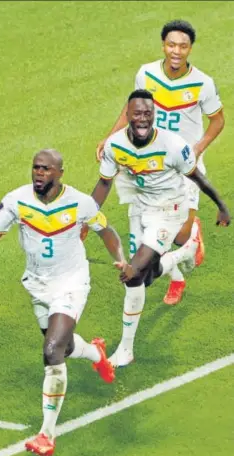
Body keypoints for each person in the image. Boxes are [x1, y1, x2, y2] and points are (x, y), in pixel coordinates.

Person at [0, 148, 126, 456]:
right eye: (36, 168)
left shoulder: (80, 202)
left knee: (52, 350)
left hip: (71, 282)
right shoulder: (17, 199)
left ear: (59, 173)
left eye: (45, 169)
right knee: (62, 348)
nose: (39, 173)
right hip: (37, 284)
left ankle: (46, 435)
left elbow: (107, 231)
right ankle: (96, 353)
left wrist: (121, 260)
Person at [92, 89, 230, 367]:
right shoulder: (115, 145)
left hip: (169, 212)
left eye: (148, 113)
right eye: (137, 114)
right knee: (147, 276)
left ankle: (125, 350)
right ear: (127, 115)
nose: (142, 119)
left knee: (133, 275)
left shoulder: (173, 145)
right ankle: (185, 251)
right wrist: (87, 218)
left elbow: (198, 178)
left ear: (154, 115)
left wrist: (221, 205)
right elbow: (105, 183)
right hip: (139, 208)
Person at [95, 19, 225, 306]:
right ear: (163, 45)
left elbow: (218, 120)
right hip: (151, 163)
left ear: (190, 48)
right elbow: (131, 110)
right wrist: (110, 138)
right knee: (154, 239)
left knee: (178, 238)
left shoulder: (202, 83)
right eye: (171, 44)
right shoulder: (147, 74)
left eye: (183, 46)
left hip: (183, 165)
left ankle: (190, 238)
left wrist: (198, 148)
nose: (176, 51)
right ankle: (177, 276)